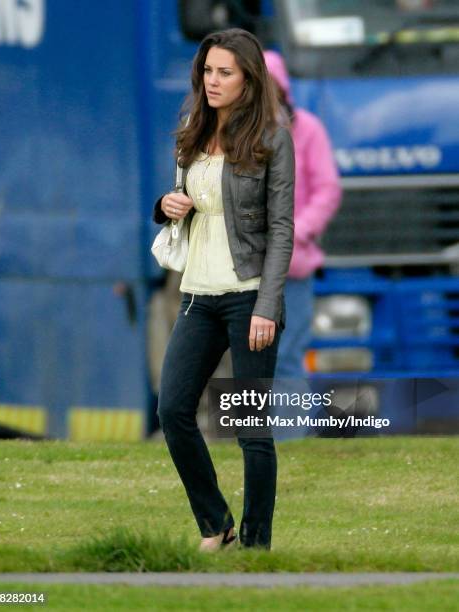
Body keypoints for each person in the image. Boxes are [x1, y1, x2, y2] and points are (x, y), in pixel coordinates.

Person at [152, 29, 294, 551]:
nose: (212, 82)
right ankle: (217, 524)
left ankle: (256, 548)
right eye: (208, 71)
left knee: (251, 428)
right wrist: (167, 204)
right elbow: (184, 198)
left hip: (249, 295)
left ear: (248, 79)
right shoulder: (193, 128)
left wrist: (267, 305)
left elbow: (282, 229)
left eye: (225, 73)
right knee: (172, 410)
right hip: (196, 293)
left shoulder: (274, 139)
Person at [263, 50, 341, 379]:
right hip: (243, 269)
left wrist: (298, 231)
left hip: (290, 266)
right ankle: (252, 431)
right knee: (251, 362)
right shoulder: (232, 134)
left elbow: (327, 189)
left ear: (282, 88)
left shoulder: (307, 129)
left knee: (287, 357)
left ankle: (290, 431)